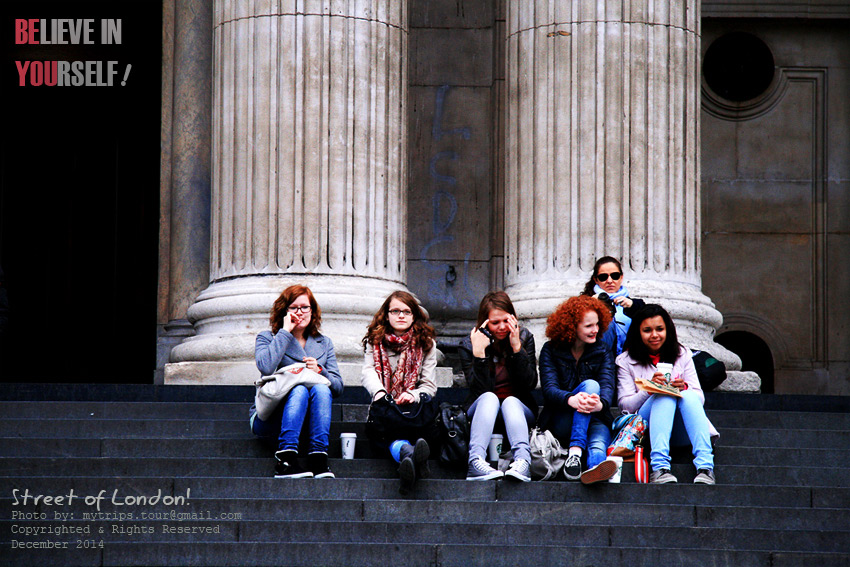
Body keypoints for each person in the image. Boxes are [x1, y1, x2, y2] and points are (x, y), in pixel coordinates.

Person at [616, 304, 718, 485]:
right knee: (663, 395)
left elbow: (699, 398)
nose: (654, 335)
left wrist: (684, 387)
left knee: (688, 395)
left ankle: (705, 467)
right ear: (638, 333)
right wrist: (650, 389)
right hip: (646, 428)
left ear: (667, 330)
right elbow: (625, 406)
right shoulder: (625, 360)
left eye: (659, 329)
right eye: (647, 330)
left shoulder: (682, 353)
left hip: (682, 430)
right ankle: (659, 467)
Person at [251, 285, 343, 479]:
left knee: (322, 389)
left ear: (312, 311)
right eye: (294, 308)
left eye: (305, 307)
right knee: (299, 389)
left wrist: (320, 370)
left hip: (310, 421)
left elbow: (338, 387)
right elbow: (266, 367)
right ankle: (285, 461)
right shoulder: (268, 337)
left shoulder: (324, 343)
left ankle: (318, 458)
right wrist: (286, 331)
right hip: (271, 418)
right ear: (284, 311)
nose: (300, 312)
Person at [362, 291, 437, 494]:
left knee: (420, 421)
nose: (401, 315)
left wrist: (412, 394)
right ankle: (412, 456)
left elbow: (429, 386)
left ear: (414, 316)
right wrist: (380, 394)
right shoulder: (374, 341)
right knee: (384, 424)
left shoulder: (426, 343)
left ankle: (407, 454)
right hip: (385, 411)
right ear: (387, 315)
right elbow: (368, 372)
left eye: (406, 311)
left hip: (414, 413)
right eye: (395, 311)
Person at [538, 295, 619, 484]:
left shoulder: (602, 350)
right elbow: (549, 389)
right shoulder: (550, 350)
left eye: (597, 325)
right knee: (591, 385)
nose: (596, 330)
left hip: (596, 416)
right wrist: (571, 400)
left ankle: (593, 472)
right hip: (562, 418)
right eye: (589, 326)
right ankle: (575, 452)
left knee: (598, 448)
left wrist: (600, 405)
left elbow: (608, 385)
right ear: (571, 326)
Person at [458, 291, 538, 482]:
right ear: (484, 323)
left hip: (518, 410)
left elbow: (530, 384)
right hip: (482, 412)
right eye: (495, 323)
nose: (502, 327)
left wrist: (517, 348)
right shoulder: (469, 344)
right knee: (489, 397)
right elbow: (478, 390)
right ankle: (476, 460)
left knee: (510, 401)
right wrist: (479, 355)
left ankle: (523, 462)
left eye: (506, 320)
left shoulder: (524, 337)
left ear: (514, 319)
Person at [580, 256, 645, 356]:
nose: (609, 281)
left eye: (615, 276)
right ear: (596, 280)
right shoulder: (585, 302)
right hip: (597, 361)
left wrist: (632, 306)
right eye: (603, 277)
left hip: (629, 361)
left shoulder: (636, 304)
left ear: (621, 277)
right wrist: (590, 305)